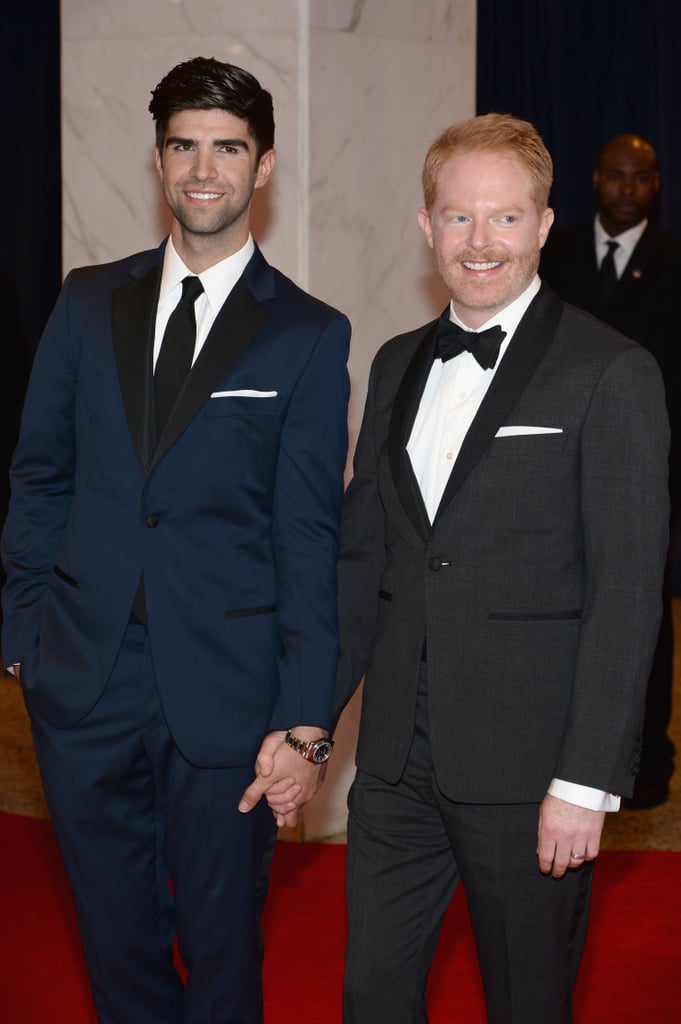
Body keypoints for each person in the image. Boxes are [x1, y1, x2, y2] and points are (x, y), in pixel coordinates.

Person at [1, 56, 350, 1024]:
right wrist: (26, 635)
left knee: (223, 940)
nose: (206, 169)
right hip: (82, 675)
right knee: (113, 941)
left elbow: (310, 537)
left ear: (264, 165)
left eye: (228, 148)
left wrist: (305, 714)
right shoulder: (84, 302)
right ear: (158, 161)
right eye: (186, 146)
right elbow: (41, 474)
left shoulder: (309, 336)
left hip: (229, 694)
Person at [332, 114, 669, 1023]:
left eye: (505, 219)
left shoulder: (611, 371)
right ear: (425, 225)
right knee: (371, 995)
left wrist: (585, 781)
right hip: (396, 762)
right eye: (458, 218)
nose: (480, 242)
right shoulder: (397, 361)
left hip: (531, 771)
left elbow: (628, 593)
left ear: (545, 225)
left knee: (526, 1002)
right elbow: (364, 562)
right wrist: (305, 723)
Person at [541, 132, 681, 807]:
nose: (628, 190)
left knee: (639, 601)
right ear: (594, 179)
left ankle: (646, 757)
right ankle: (562, 747)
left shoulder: (674, 260)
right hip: (555, 461)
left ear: (657, 185)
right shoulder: (555, 253)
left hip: (650, 463)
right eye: (616, 177)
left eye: (642, 178)